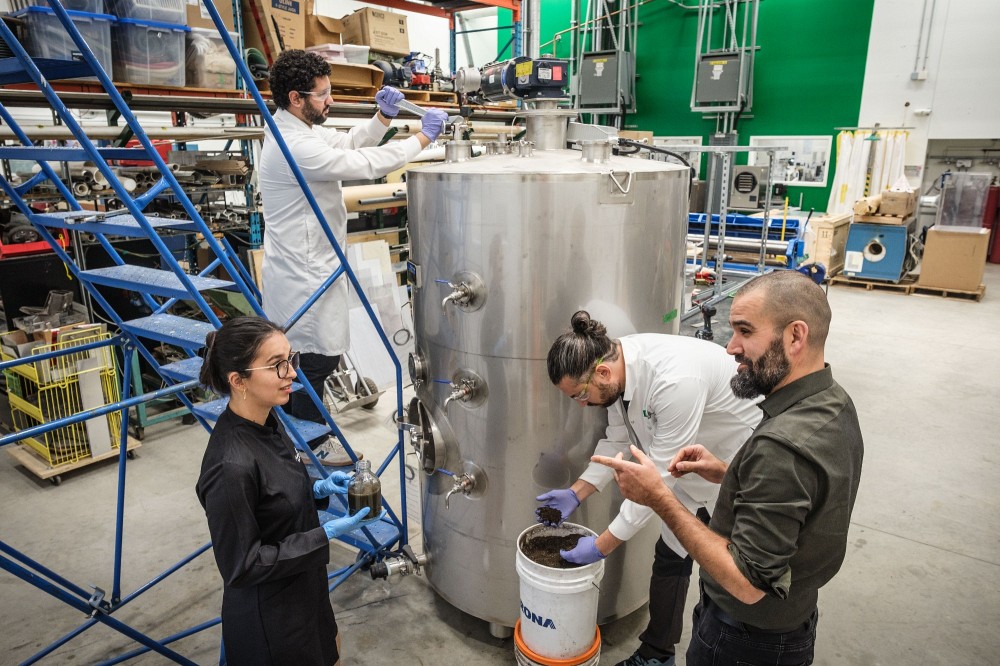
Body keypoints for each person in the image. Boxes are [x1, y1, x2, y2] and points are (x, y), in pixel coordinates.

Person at [593, 271, 864, 666]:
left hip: (745, 639)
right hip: (792, 617)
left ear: (795, 336)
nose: (731, 348)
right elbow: (803, 502)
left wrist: (659, 497)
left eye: (744, 331)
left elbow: (748, 583)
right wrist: (725, 472)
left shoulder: (780, 447)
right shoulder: (832, 402)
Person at [539, 311, 762, 666]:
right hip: (684, 460)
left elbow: (655, 483)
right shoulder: (618, 372)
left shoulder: (675, 381)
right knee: (672, 555)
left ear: (602, 373)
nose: (581, 404)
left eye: (580, 395)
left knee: (726, 571)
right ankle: (658, 654)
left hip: (732, 463)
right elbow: (619, 438)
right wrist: (576, 492)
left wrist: (601, 546)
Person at [259, 49, 448, 465]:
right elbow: (360, 163)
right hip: (304, 274)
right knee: (314, 361)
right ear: (296, 97)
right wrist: (421, 138)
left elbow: (346, 142)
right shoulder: (294, 145)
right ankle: (313, 445)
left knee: (306, 360)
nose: (331, 102)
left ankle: (297, 439)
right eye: (323, 95)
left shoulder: (297, 129)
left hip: (309, 267)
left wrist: (382, 120)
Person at [196, 316, 374, 665]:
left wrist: (317, 489)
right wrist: (324, 534)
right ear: (238, 381)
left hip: (305, 591)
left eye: (290, 360)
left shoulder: (266, 419)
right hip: (272, 621)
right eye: (277, 366)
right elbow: (243, 566)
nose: (292, 373)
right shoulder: (229, 466)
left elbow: (276, 489)